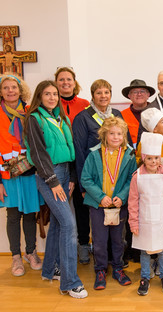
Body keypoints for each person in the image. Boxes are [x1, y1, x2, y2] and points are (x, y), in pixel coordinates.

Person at [24, 80, 88, 298]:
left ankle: (50, 269)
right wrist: (53, 181)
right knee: (70, 226)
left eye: (54, 94)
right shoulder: (34, 119)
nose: (52, 97)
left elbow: (70, 152)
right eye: (47, 94)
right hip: (49, 176)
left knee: (59, 224)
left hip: (64, 175)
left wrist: (71, 178)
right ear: (39, 97)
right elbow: (39, 154)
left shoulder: (61, 118)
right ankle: (70, 283)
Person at [72, 79, 129, 264]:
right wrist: (83, 186)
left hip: (116, 179)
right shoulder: (83, 117)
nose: (103, 96)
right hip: (94, 179)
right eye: (99, 93)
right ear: (92, 95)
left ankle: (116, 260)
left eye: (106, 92)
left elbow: (125, 142)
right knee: (96, 225)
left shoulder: (117, 114)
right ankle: (96, 260)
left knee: (116, 229)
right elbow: (80, 152)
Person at [81, 117, 137, 290]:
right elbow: (86, 179)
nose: (115, 137)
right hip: (99, 206)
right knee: (99, 240)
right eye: (111, 133)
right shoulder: (94, 154)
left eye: (119, 134)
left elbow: (132, 179)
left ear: (124, 136)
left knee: (118, 239)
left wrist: (122, 196)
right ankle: (100, 269)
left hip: (119, 205)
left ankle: (118, 268)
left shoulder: (129, 155)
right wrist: (100, 197)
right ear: (104, 135)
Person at [0, 73, 43, 276]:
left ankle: (31, 252)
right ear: (1, 91)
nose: (10, 91)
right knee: (13, 215)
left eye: (14, 87)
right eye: (6, 88)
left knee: (29, 214)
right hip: (7, 175)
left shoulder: (30, 111)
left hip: (28, 171)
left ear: (20, 90)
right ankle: (16, 257)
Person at [128, 132, 163, 296]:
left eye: (156, 158)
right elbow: (133, 202)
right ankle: (145, 277)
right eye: (149, 158)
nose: (153, 162)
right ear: (143, 158)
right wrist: (133, 223)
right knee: (145, 251)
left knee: (162, 250)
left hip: (162, 221)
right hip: (143, 221)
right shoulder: (137, 177)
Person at [54, 66, 91, 265]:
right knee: (60, 208)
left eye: (69, 79)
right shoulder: (50, 103)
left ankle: (83, 244)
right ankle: (61, 251)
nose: (65, 83)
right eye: (61, 80)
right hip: (59, 163)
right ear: (56, 82)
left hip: (80, 162)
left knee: (81, 204)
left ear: (75, 82)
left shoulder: (85, 104)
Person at [121, 79, 155, 149]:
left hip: (154, 155)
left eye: (142, 91)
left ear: (148, 95)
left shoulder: (156, 112)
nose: (139, 94)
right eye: (135, 92)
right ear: (129, 96)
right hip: (130, 156)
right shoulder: (121, 116)